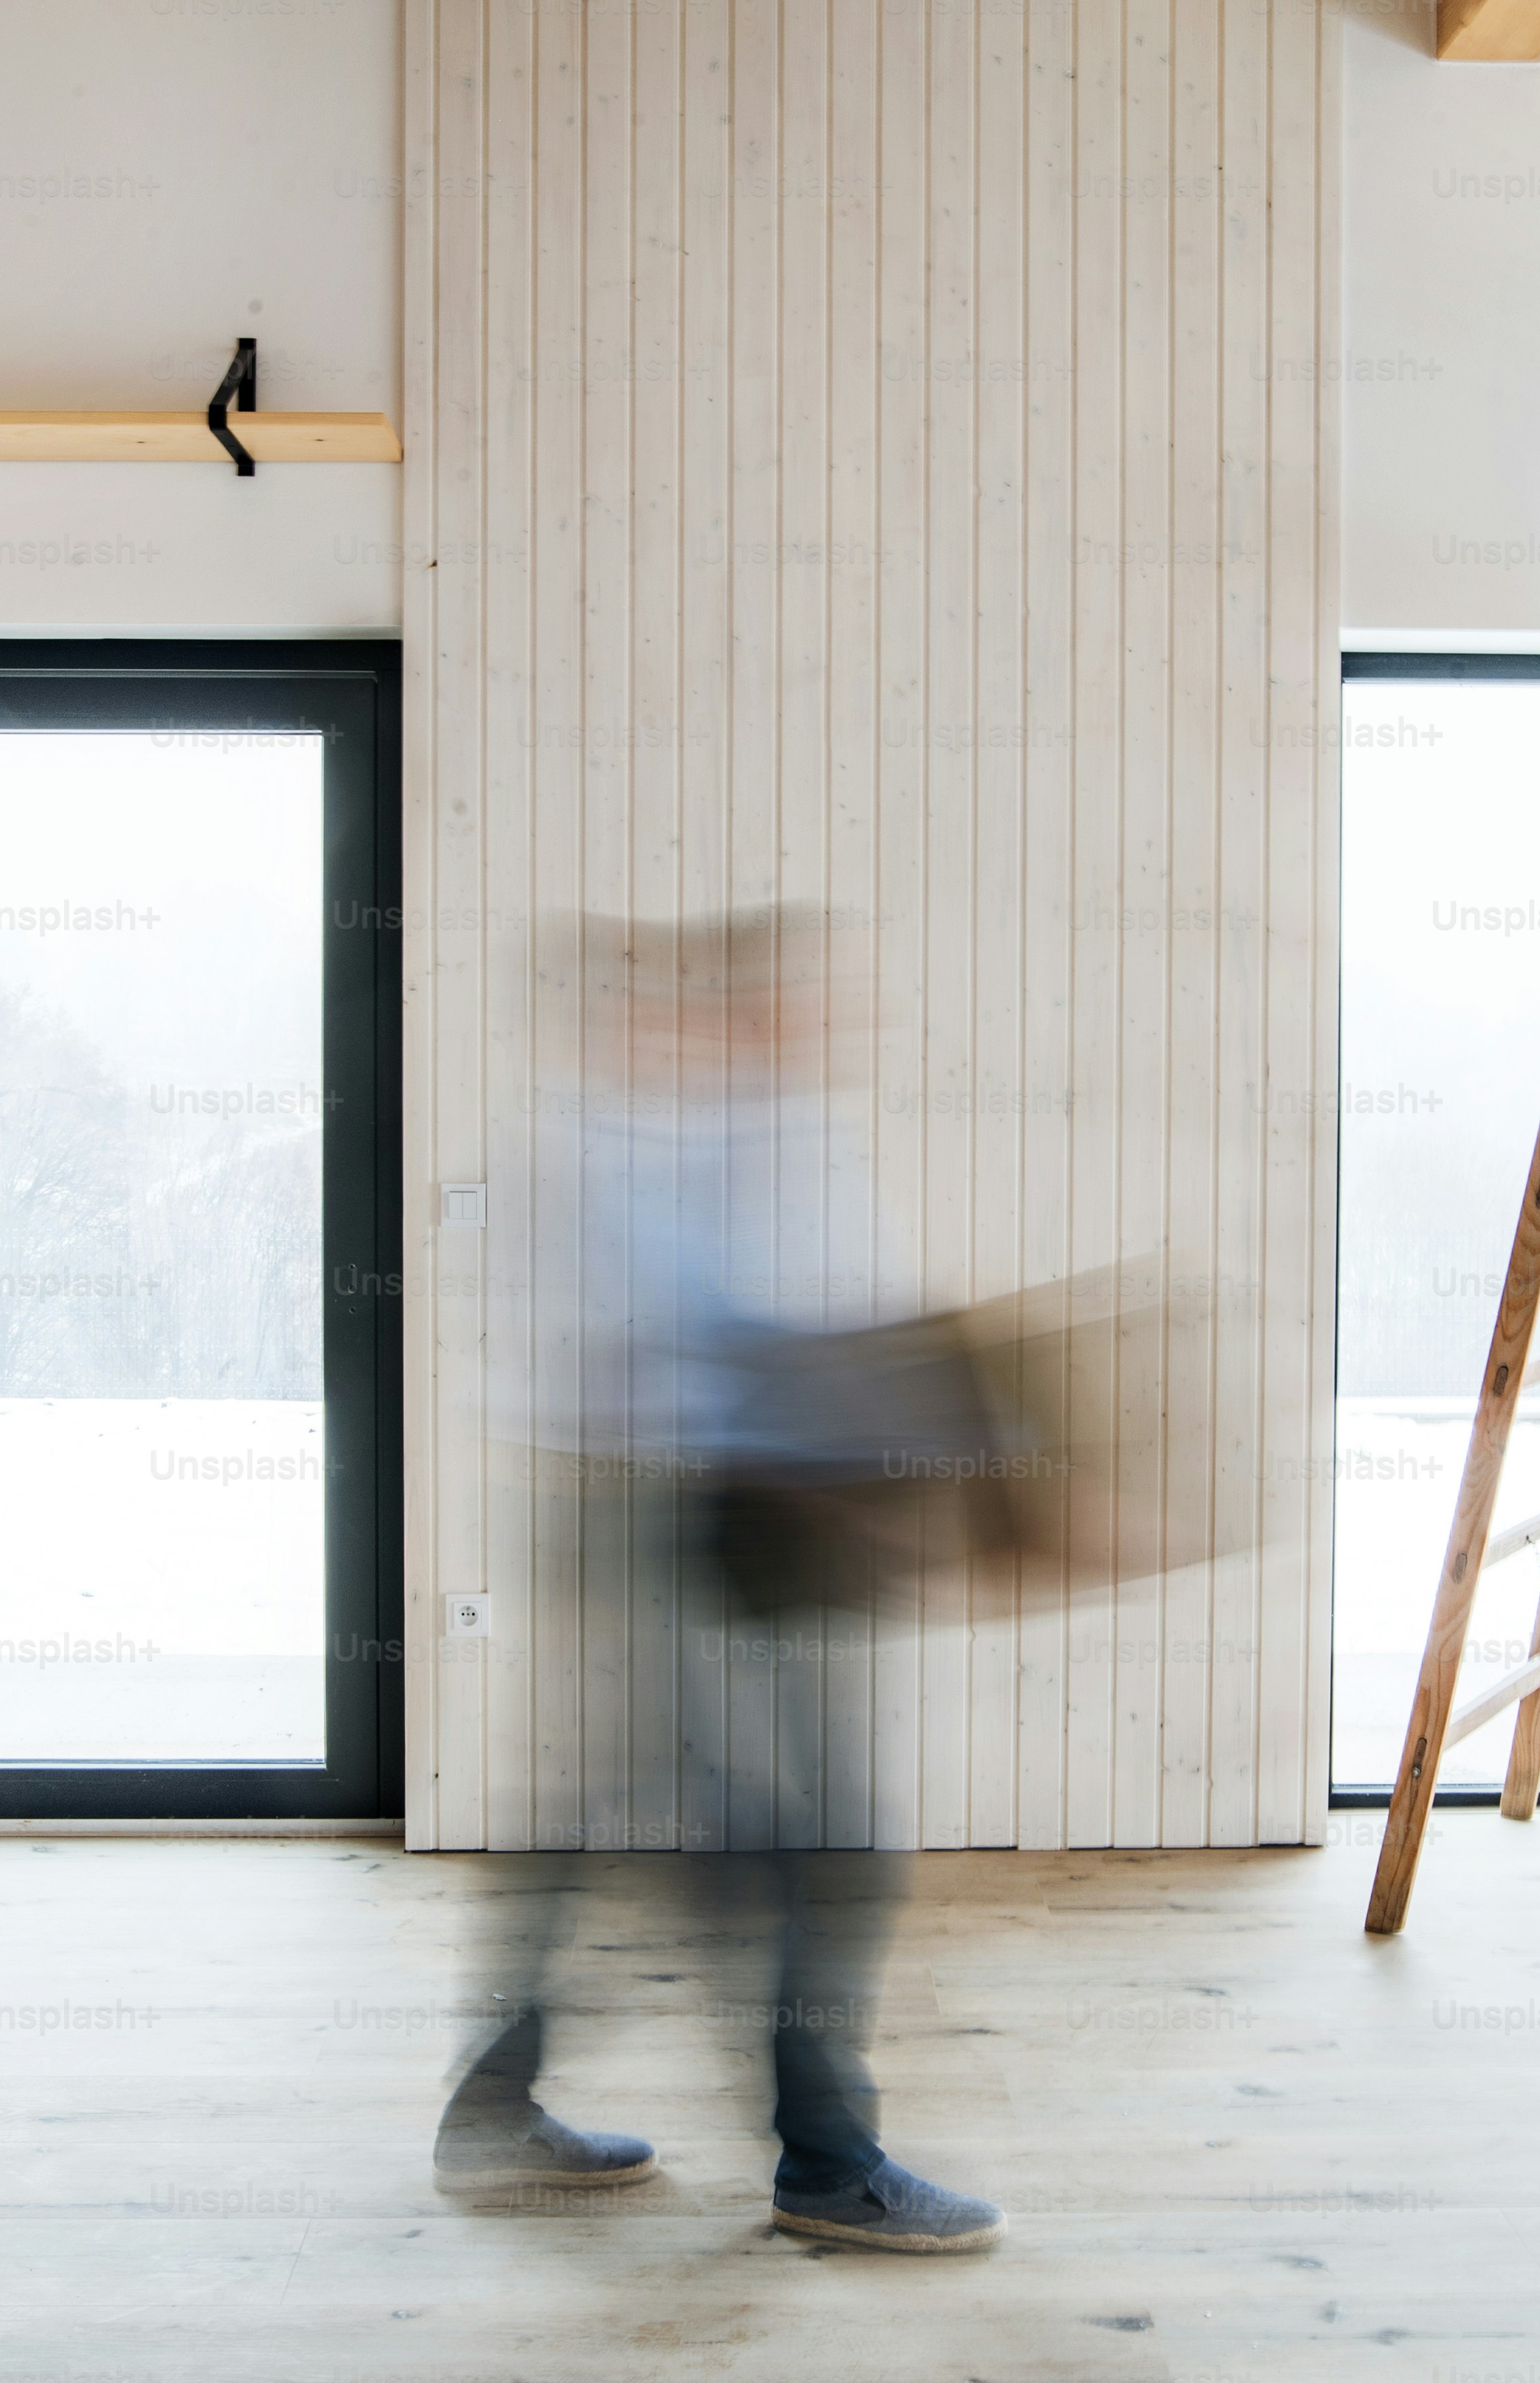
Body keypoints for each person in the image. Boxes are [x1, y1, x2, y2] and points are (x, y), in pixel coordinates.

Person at [430, 905, 1009, 2253]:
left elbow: (795, 1318)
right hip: (673, 1512)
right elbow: (704, 1333)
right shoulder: (600, 1149)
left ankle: (501, 2108)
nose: (809, 1018)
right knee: (799, 1841)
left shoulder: (735, 1135)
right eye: (774, 996)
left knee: (642, 1828)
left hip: (746, 1507)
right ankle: (823, 2158)